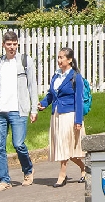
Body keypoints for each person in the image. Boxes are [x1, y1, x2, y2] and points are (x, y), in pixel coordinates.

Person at [0, 31, 38, 192]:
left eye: (14, 44)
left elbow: (32, 86)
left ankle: (28, 170)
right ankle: (4, 180)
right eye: (9, 44)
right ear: (3, 45)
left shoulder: (25, 61)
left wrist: (34, 108)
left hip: (18, 110)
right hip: (0, 110)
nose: (12, 47)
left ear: (17, 44)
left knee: (18, 144)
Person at [38, 47, 86, 187]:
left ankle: (62, 175)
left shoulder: (76, 77)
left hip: (69, 115)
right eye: (58, 57)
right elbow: (51, 95)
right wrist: (43, 104)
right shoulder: (56, 76)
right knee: (65, 148)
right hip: (57, 116)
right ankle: (84, 168)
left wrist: (78, 120)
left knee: (65, 146)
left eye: (61, 58)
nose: (59, 60)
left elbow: (79, 100)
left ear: (69, 60)